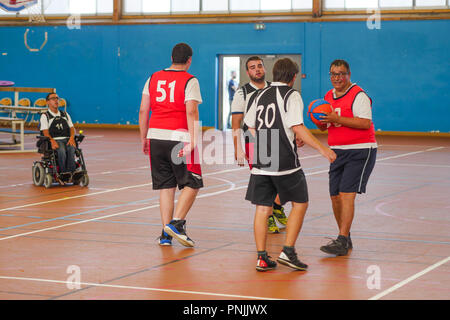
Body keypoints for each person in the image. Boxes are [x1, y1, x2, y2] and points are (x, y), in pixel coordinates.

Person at [244, 58, 336, 271]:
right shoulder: (292, 95)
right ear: (293, 77)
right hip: (284, 161)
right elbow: (297, 126)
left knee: (262, 208)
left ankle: (261, 257)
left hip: (262, 159)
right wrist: (323, 149)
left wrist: (270, 141)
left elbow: (250, 126)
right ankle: (288, 251)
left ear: (274, 74)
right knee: (300, 203)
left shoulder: (257, 95)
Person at [139, 43, 203, 247]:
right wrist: (194, 139)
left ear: (172, 57)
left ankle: (165, 235)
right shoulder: (190, 80)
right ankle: (176, 224)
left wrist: (144, 137)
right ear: (189, 60)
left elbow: (143, 110)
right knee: (193, 183)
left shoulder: (153, 78)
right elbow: (191, 111)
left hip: (156, 136)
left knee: (166, 187)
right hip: (180, 136)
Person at [316, 59, 377, 256]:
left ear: (349, 75)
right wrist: (319, 122)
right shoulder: (327, 97)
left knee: (346, 195)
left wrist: (337, 119)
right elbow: (326, 125)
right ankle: (346, 237)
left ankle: (341, 240)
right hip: (337, 152)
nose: (337, 78)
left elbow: (365, 123)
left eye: (341, 74)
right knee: (335, 197)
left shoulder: (358, 95)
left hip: (360, 150)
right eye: (333, 74)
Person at [231, 56, 289, 234]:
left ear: (265, 68)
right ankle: (269, 216)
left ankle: (277, 206)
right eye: (252, 67)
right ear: (247, 72)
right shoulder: (242, 93)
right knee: (267, 180)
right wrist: (238, 148)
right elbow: (236, 123)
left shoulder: (274, 89)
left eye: (259, 66)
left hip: (277, 139)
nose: (257, 69)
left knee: (285, 179)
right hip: (254, 140)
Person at [39, 92, 76, 183]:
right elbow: (45, 132)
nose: (56, 100)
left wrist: (72, 138)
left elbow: (72, 128)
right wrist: (52, 141)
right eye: (53, 98)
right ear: (48, 102)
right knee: (62, 150)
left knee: (72, 148)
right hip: (55, 140)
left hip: (67, 139)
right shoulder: (45, 116)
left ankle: (71, 172)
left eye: (57, 98)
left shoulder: (65, 114)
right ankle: (63, 173)